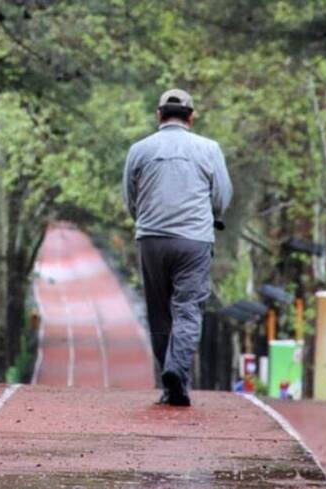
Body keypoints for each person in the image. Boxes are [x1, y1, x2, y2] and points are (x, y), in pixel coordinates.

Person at [122, 89, 233, 407]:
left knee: (159, 314)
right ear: (191, 117)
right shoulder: (209, 149)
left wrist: (144, 220)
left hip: (151, 240)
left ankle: (170, 383)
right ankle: (176, 371)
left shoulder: (139, 150)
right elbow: (221, 196)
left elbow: (130, 197)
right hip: (194, 242)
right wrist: (213, 218)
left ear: (158, 115)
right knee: (187, 310)